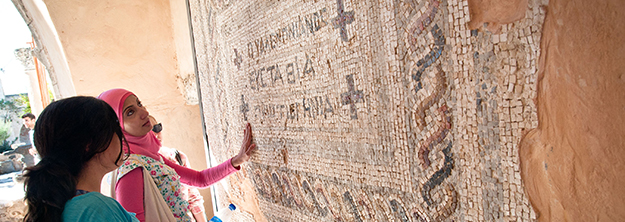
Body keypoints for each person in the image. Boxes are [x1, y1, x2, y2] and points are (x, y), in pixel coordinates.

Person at [98, 88, 256, 222]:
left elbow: (199, 179)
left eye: (139, 104)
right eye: (130, 112)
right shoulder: (131, 169)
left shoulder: (153, 159)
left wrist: (238, 160)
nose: (144, 113)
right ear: (117, 126)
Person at [23, 96, 138, 222]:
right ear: (90, 143)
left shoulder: (64, 205)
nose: (121, 136)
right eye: (115, 128)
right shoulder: (96, 209)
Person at [149, 115, 208, 222]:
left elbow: (193, 195)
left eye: (157, 128)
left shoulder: (177, 156)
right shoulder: (141, 167)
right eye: (149, 132)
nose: (156, 135)